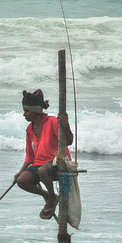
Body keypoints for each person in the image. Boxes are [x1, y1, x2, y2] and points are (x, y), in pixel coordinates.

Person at [13, 88, 73, 219]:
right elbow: (30, 157)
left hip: (58, 160)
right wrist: (20, 172)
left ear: (35, 111)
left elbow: (69, 141)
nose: (24, 115)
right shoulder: (29, 129)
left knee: (42, 171)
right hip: (40, 164)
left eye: (27, 111)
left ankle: (51, 198)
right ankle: (48, 196)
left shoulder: (52, 122)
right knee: (22, 180)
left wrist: (65, 125)